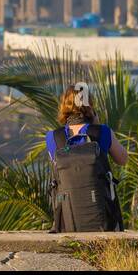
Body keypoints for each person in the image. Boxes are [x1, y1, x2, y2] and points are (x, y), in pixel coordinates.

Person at [45, 82, 128, 232]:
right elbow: (123, 159)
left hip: (67, 220)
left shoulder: (53, 137)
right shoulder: (102, 132)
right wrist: (97, 125)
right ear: (90, 105)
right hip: (102, 218)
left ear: (64, 105)